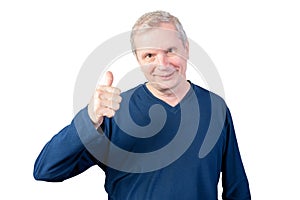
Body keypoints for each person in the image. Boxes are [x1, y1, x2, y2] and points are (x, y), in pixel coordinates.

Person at [34, 10, 251, 199]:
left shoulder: (215, 108)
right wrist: (89, 118)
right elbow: (47, 170)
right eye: (149, 55)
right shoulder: (113, 112)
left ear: (186, 48)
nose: (162, 64)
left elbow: (237, 189)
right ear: (138, 60)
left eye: (170, 51)